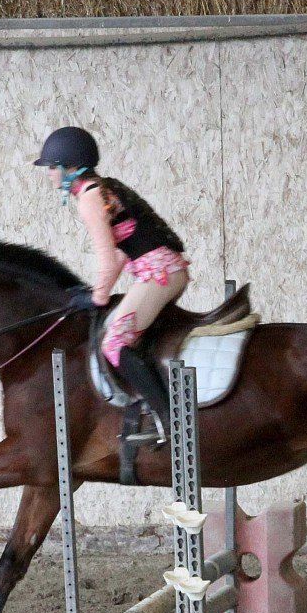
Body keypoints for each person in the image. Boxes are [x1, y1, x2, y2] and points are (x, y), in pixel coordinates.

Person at [34, 125, 190, 437]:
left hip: (159, 275)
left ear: (71, 167)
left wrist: (98, 297)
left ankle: (169, 420)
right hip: (162, 271)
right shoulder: (102, 188)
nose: (49, 174)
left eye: (53, 167)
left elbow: (107, 258)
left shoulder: (89, 199)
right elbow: (121, 256)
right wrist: (96, 291)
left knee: (114, 343)